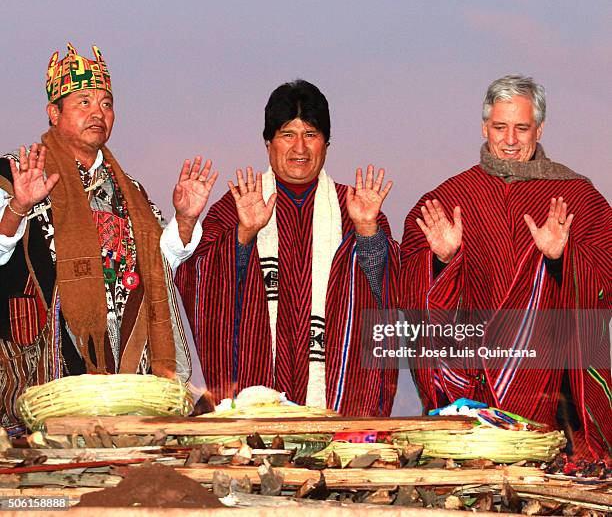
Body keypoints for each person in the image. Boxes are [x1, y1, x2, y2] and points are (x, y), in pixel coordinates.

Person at [0, 44, 217, 433]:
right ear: (54, 112)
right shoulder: (16, 173)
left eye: (106, 103)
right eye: (83, 102)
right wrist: (18, 205)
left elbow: (157, 265)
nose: (98, 113)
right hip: (46, 367)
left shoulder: (128, 190)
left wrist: (185, 219)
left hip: (123, 374)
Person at [400, 75, 611, 460]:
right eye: (500, 127)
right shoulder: (450, 197)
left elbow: (606, 272)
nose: (510, 140)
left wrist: (564, 257)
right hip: (474, 388)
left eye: (521, 128)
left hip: (554, 392)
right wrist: (441, 261)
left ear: (540, 129)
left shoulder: (577, 195)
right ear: (484, 127)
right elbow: (408, 282)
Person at [176, 80, 399, 415]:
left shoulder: (354, 206)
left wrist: (367, 232)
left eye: (310, 134)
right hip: (254, 389)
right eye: (287, 134)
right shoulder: (236, 205)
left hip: (337, 398)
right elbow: (198, 281)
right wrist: (243, 236)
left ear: (327, 143)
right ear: (268, 143)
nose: (300, 148)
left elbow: (390, 293)